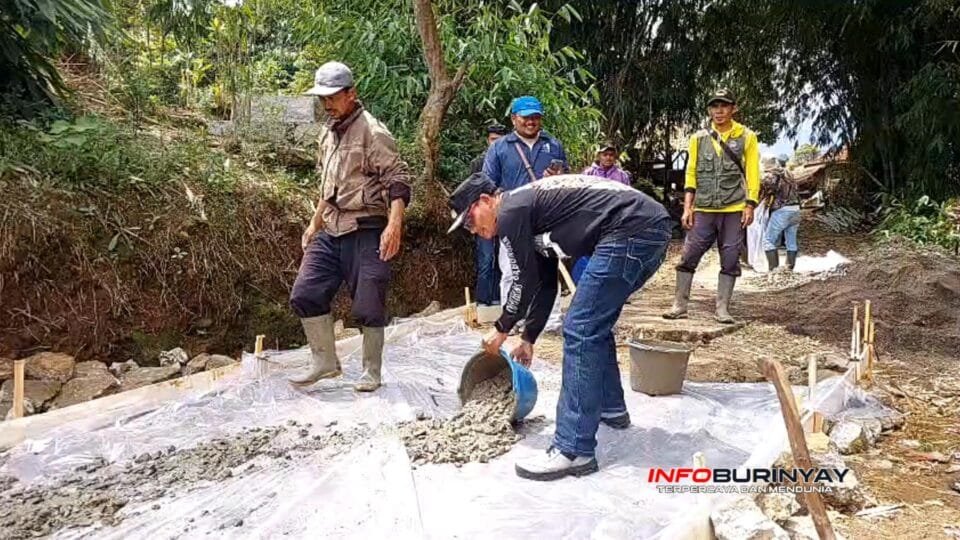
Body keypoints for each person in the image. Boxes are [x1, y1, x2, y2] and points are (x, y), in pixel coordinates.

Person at [447, 173, 672, 481]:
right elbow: (543, 282)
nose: (474, 230)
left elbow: (522, 282)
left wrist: (502, 328)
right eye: (468, 229)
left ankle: (573, 449)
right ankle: (611, 409)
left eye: (470, 220)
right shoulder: (529, 213)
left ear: (486, 201)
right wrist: (528, 338)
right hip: (647, 226)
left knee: (580, 326)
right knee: (591, 322)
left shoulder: (511, 212)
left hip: (630, 229)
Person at [288, 61, 411, 392]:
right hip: (331, 226)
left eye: (332, 98)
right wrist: (314, 224)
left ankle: (371, 370)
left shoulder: (373, 131)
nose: (327, 105)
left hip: (367, 225)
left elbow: (397, 180)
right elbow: (328, 186)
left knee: (369, 301)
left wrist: (394, 226)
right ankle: (325, 362)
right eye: (322, 99)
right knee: (305, 293)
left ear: (351, 94)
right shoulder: (327, 132)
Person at [663, 89, 760, 324]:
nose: (719, 111)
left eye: (724, 106)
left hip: (733, 208)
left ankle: (722, 308)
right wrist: (688, 207)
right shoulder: (698, 138)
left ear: (733, 109)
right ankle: (680, 304)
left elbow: (753, 173)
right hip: (704, 208)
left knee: (730, 258)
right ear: (709, 110)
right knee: (689, 255)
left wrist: (750, 205)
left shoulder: (746, 136)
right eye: (714, 106)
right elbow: (691, 172)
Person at [483, 96, 569, 315]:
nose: (531, 121)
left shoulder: (554, 145)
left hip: (546, 218)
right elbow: (487, 182)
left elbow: (568, 180)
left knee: (547, 268)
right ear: (514, 119)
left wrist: (558, 176)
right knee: (512, 271)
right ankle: (512, 318)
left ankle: (549, 318)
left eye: (536, 117)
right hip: (512, 219)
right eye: (526, 117)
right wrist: (505, 199)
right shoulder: (499, 148)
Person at [573, 142, 633, 283]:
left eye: (611, 155)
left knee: (613, 252)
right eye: (605, 154)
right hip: (592, 220)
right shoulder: (588, 174)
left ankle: (612, 285)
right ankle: (584, 283)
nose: (608, 158)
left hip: (614, 220)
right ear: (599, 155)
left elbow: (629, 198)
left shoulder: (622, 176)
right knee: (588, 252)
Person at [470, 124, 508, 307]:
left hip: (505, 216)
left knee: (504, 260)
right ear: (488, 140)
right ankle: (483, 300)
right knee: (485, 259)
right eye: (493, 139)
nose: (496, 143)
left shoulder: (510, 159)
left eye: (499, 139)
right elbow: (472, 190)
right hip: (485, 218)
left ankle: (499, 298)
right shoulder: (478, 163)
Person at [761, 155, 801, 270]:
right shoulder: (788, 173)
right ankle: (789, 269)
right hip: (796, 209)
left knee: (768, 241)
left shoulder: (772, 175)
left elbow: (768, 189)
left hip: (782, 210)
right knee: (791, 241)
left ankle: (774, 271)